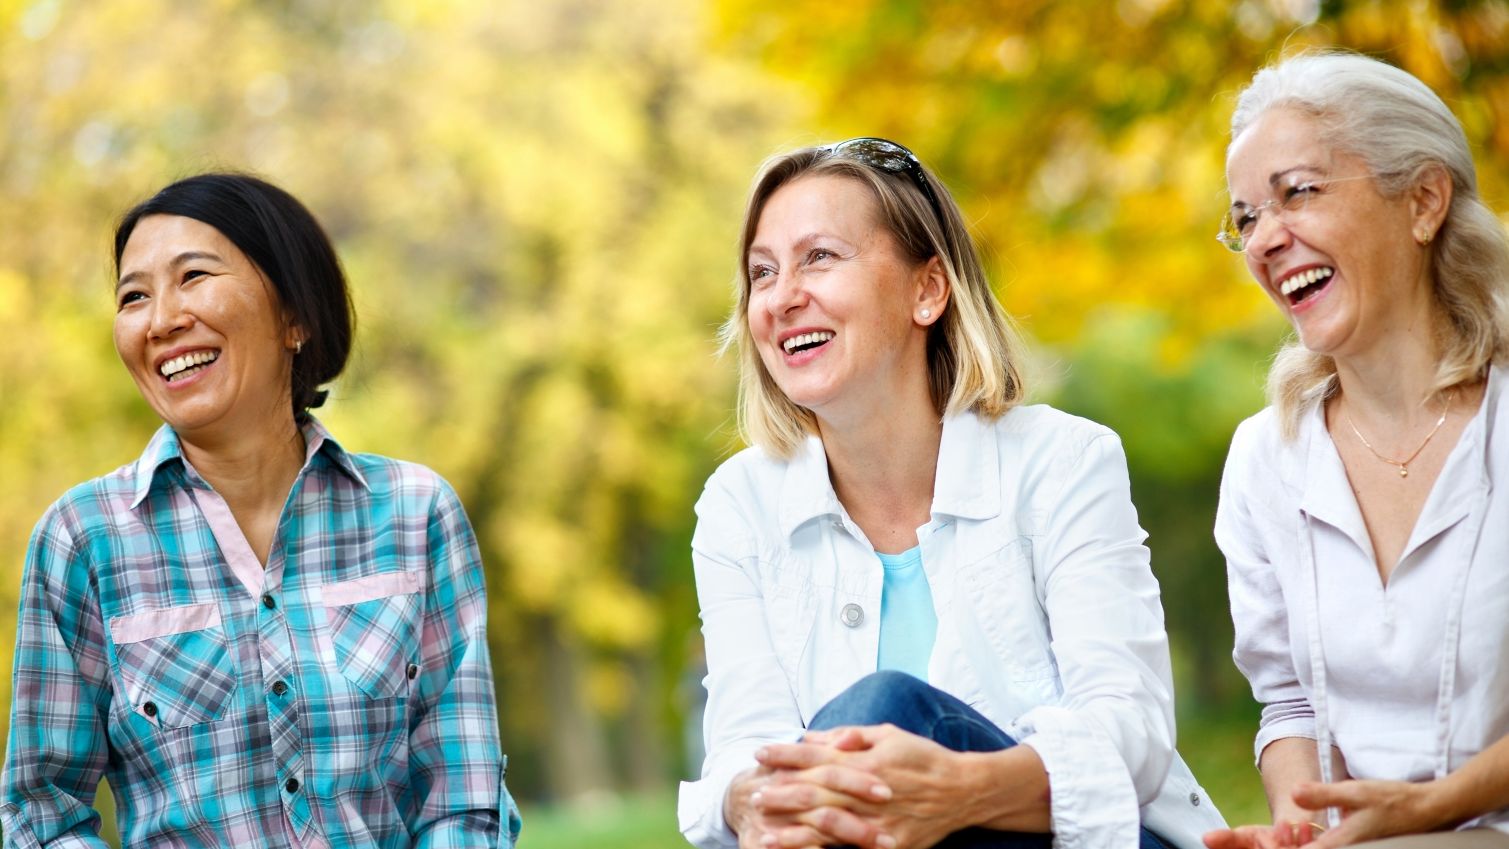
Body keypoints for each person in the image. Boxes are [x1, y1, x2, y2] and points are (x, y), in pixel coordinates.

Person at [677, 138, 1227, 849]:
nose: (781, 296)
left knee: (879, 710)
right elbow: (743, 743)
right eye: (761, 272)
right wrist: (745, 798)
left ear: (927, 289)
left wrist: (956, 795)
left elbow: (1130, 726)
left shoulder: (1062, 461)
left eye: (819, 257)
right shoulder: (736, 507)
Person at [0, 173, 521, 848]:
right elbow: (42, 815)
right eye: (134, 296)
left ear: (294, 316)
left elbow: (465, 799)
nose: (161, 320)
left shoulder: (416, 514)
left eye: (193, 276)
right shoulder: (83, 538)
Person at [1206, 50, 1509, 849]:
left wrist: (1427, 812)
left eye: (1296, 193)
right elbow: (1290, 704)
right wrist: (1299, 828)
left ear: (1421, 200)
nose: (1265, 238)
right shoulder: (1263, 458)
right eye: (1244, 219)